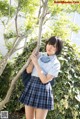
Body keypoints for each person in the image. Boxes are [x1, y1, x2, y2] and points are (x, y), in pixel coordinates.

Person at [19, 36, 63, 119]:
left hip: (43, 90)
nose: (50, 47)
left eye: (54, 46)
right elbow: (28, 71)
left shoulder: (56, 63)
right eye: (49, 44)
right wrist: (32, 58)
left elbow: (44, 80)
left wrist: (36, 63)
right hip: (31, 86)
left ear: (57, 49)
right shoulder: (39, 54)